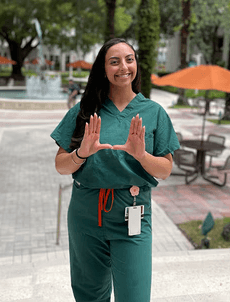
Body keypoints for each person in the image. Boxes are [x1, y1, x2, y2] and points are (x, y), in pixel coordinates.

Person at [51, 38, 180, 302]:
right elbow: (61, 165)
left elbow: (165, 169)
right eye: (114, 61)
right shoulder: (84, 111)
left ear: (136, 64)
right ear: (104, 69)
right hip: (86, 212)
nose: (123, 67)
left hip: (132, 212)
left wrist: (141, 155)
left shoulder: (154, 112)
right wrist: (82, 153)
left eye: (129, 59)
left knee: (135, 296)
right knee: (90, 295)